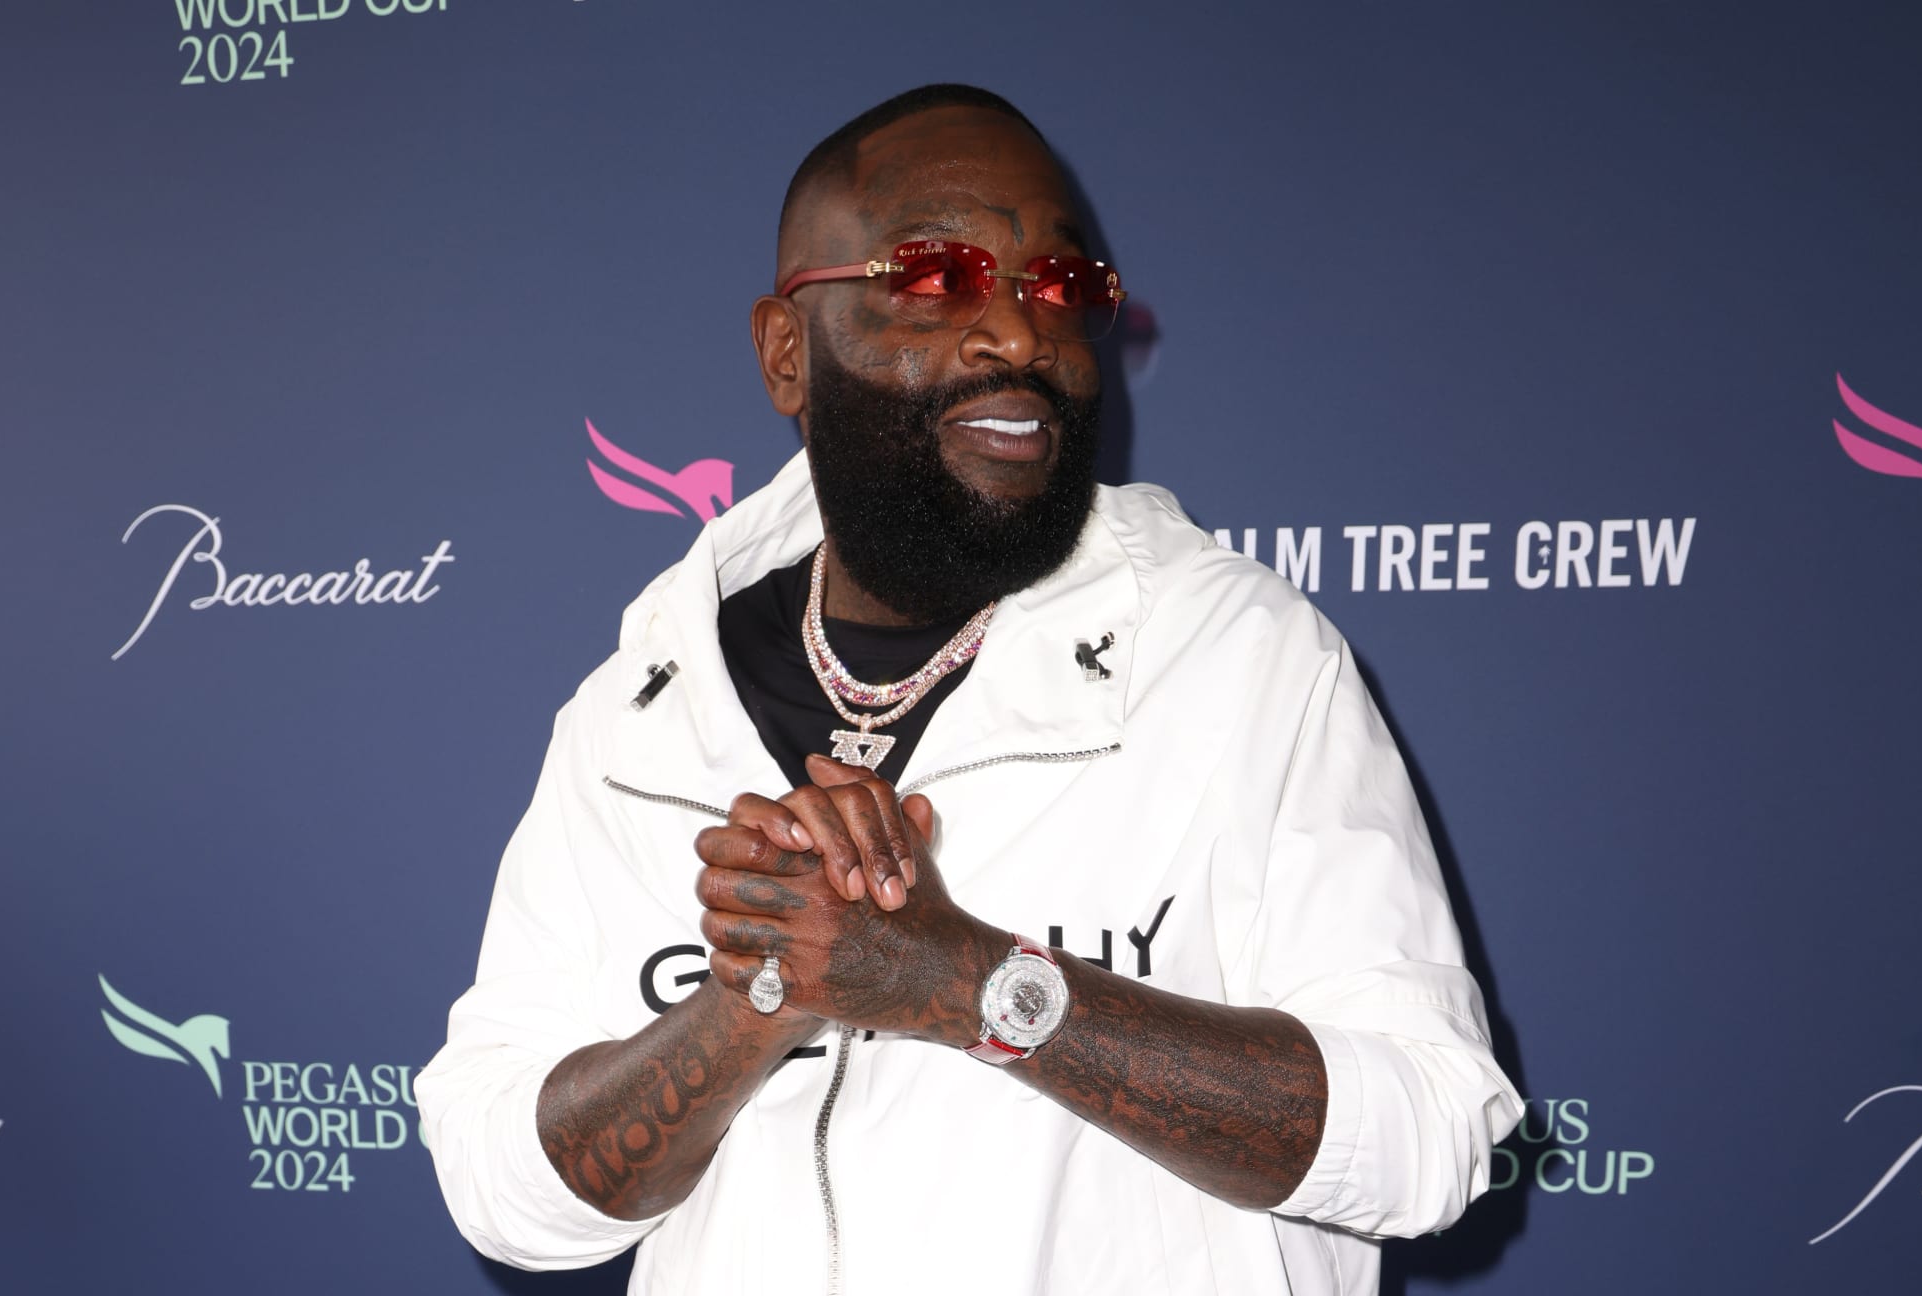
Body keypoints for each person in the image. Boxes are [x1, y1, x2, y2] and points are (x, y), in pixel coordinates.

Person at [416, 84, 1521, 1296]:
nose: (1018, 337)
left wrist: (973, 986)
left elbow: (1429, 1134)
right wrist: (750, 1007)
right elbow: (501, 1191)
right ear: (789, 352)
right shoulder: (642, 708)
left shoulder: (1235, 657)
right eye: (937, 278)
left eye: (1060, 289)